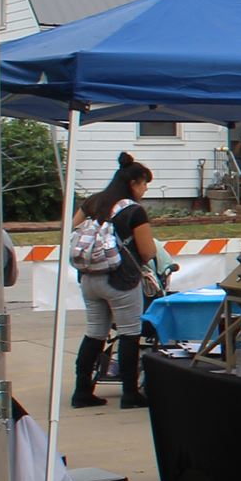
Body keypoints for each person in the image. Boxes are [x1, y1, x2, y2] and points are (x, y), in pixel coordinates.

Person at [68, 153, 158, 409]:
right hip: (121, 281)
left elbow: (73, 230)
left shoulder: (94, 202)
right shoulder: (134, 210)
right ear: (134, 183)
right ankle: (130, 394)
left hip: (89, 278)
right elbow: (147, 251)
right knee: (130, 334)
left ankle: (82, 391)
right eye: (144, 184)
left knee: (94, 333)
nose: (145, 189)